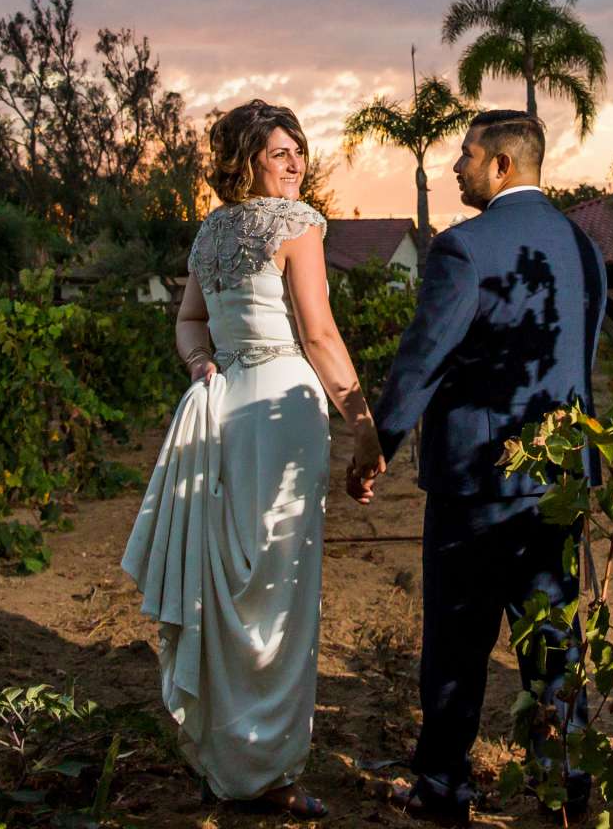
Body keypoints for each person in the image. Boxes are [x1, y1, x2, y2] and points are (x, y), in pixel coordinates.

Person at [121, 100, 382, 819]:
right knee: (277, 589)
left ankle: (226, 760)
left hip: (228, 405)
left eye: (298, 150)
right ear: (246, 164)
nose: (296, 163)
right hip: (282, 408)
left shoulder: (209, 232)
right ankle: (268, 771)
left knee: (232, 580)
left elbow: (188, 323)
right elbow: (321, 335)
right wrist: (364, 427)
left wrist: (204, 367)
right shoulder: (297, 225)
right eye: (279, 154)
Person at [349, 109, 609, 826]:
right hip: (557, 481)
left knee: (458, 645)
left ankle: (442, 787)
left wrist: (379, 442)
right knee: (553, 637)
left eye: (464, 155)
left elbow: (423, 355)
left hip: (477, 481)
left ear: (500, 165)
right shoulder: (583, 247)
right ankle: (568, 783)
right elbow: (581, 359)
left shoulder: (464, 248)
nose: (455, 168)